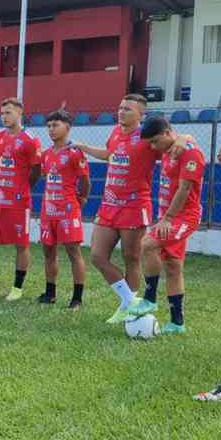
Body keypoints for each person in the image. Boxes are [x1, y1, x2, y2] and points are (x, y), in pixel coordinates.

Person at [73, 94, 189, 323]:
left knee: (131, 258)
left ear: (140, 115)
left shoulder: (147, 137)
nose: (121, 111)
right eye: (120, 107)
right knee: (97, 256)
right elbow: (110, 155)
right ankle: (129, 301)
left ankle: (128, 307)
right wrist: (83, 147)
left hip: (135, 205)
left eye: (127, 109)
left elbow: (175, 141)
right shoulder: (115, 132)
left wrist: (184, 137)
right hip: (109, 204)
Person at [125, 116, 206, 334]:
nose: (153, 147)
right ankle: (177, 323)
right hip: (169, 215)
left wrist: (168, 218)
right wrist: (182, 137)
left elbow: (185, 189)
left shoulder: (190, 153)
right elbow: (183, 137)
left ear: (166, 134)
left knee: (147, 244)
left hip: (183, 217)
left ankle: (150, 298)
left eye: (154, 142)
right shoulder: (172, 147)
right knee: (173, 267)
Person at [0, 98, 42, 301]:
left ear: (19, 113)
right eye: (2, 113)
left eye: (8, 113)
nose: (4, 117)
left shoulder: (30, 139)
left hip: (18, 202)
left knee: (21, 245)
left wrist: (23, 188)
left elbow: (36, 170)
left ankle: (17, 288)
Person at [36, 110, 89, 309]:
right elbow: (45, 175)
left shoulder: (75, 152)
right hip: (48, 209)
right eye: (48, 126)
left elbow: (85, 180)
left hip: (67, 210)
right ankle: (50, 293)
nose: (51, 129)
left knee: (73, 253)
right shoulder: (46, 154)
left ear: (67, 127)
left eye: (55, 125)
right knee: (48, 251)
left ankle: (77, 298)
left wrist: (82, 198)